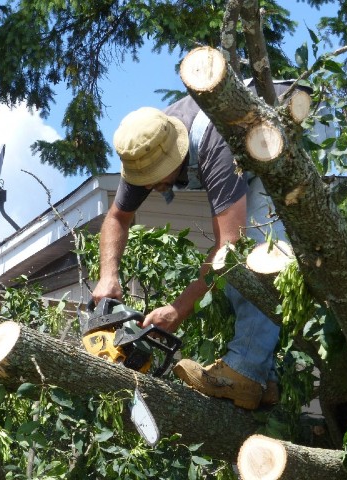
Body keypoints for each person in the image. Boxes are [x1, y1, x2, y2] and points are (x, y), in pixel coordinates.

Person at [91, 94, 281, 410]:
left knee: (254, 255)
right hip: (240, 158)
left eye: (155, 179)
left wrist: (179, 309)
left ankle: (247, 371)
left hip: (269, 150)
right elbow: (116, 218)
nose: (150, 187)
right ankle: (266, 379)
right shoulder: (145, 146)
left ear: (176, 155)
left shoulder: (214, 141)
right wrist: (108, 276)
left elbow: (229, 248)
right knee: (238, 264)